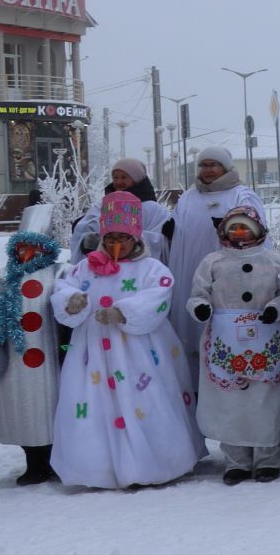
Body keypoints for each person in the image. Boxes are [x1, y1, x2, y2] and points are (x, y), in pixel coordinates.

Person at [49, 192, 201, 489]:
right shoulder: (83, 267)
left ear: (135, 237)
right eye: (110, 238)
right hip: (91, 353)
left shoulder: (152, 268)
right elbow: (63, 287)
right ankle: (95, 467)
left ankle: (154, 462)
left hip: (139, 352)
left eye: (123, 237)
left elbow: (159, 296)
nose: (116, 244)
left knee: (146, 401)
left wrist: (123, 312)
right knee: (92, 404)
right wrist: (72, 302)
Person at [188, 204, 280, 484]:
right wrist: (200, 308)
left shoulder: (273, 260)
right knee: (229, 403)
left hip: (265, 338)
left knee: (265, 401)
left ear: (258, 230)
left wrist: (277, 308)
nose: (238, 232)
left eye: (244, 227)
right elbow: (197, 293)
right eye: (232, 227)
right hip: (224, 339)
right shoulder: (212, 261)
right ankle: (235, 460)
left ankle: (267, 458)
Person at [167, 146, 263, 409]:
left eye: (213, 165)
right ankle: (197, 391)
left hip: (229, 280)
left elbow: (258, 234)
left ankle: (234, 387)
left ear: (226, 167)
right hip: (190, 274)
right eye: (203, 165)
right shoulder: (187, 198)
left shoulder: (241, 195)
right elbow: (172, 237)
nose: (207, 170)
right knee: (193, 329)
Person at [0, 206, 65, 484]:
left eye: (35, 247)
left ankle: (57, 460)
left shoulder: (61, 274)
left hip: (52, 356)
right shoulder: (2, 279)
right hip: (15, 359)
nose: (28, 253)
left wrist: (68, 348)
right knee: (24, 409)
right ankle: (34, 463)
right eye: (23, 247)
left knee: (53, 408)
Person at [70, 158, 172, 262]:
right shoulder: (104, 204)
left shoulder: (153, 209)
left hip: (140, 268)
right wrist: (85, 227)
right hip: (105, 268)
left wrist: (130, 238)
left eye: (124, 177)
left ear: (136, 179)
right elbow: (86, 230)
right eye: (115, 177)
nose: (119, 182)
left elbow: (163, 239)